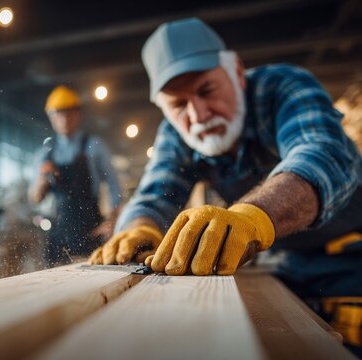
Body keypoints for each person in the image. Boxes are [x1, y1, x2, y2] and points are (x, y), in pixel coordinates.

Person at [89, 18, 361, 355]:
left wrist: (254, 215)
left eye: (206, 90)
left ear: (236, 69)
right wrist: (139, 227)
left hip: (352, 252)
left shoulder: (283, 86)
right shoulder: (178, 134)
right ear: (162, 106)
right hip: (288, 260)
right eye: (178, 104)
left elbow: (323, 154)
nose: (198, 114)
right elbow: (154, 194)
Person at [29, 85, 122, 265]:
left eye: (69, 112)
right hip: (58, 234)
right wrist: (41, 181)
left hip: (91, 231)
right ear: (51, 117)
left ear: (78, 114)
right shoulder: (44, 154)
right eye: (58, 113)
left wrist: (113, 221)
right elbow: (35, 198)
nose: (64, 118)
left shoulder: (94, 147)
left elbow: (114, 187)